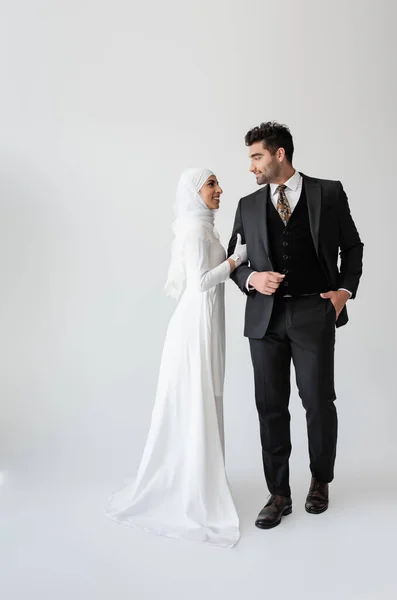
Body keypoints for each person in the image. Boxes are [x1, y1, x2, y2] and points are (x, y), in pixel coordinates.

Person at [228, 121, 363, 529]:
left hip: (312, 312)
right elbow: (234, 263)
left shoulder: (329, 192)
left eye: (256, 156)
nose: (251, 166)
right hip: (264, 320)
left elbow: (352, 246)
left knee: (318, 401)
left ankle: (320, 480)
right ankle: (279, 493)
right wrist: (251, 279)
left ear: (279, 154)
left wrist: (344, 292)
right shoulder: (247, 205)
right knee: (270, 408)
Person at [106, 168, 247, 547]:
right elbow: (200, 281)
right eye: (211, 184)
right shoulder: (195, 230)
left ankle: (201, 475)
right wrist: (236, 260)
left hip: (206, 320)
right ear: (194, 191)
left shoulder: (203, 226)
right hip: (194, 325)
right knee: (197, 396)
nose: (220, 190)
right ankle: (192, 485)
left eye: (217, 184)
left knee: (206, 396)